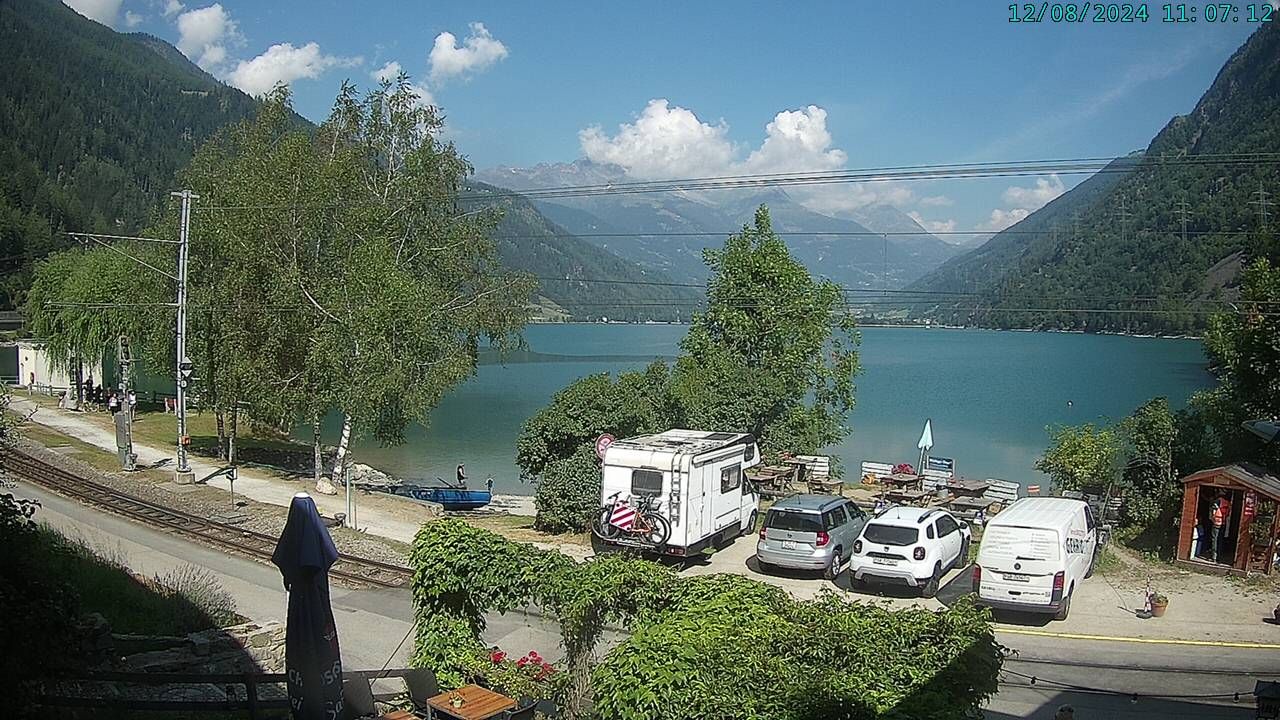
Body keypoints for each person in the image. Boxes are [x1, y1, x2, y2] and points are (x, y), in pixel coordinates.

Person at [1210, 490, 1233, 563]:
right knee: (1220, 540)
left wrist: (1212, 519)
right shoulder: (1228, 503)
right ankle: (1219, 556)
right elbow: (1228, 513)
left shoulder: (1217, 501)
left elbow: (1213, 513)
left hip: (1216, 523)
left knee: (1215, 539)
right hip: (1223, 523)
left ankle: (1214, 556)